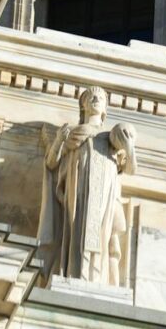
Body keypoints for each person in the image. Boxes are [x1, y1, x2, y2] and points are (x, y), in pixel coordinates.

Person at [43, 87, 137, 285]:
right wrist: (59, 140)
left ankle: (98, 279)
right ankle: (74, 273)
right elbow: (52, 163)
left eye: (101, 97)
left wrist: (129, 148)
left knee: (102, 235)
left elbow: (130, 169)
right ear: (83, 106)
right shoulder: (73, 135)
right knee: (77, 231)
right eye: (90, 97)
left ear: (105, 109)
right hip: (77, 193)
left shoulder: (111, 142)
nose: (96, 99)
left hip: (104, 196)